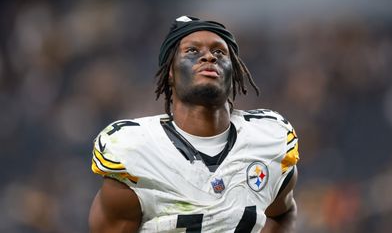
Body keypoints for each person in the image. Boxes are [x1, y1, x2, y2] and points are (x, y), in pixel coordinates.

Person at [89, 15, 300, 232]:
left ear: (234, 70)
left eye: (219, 52)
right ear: (170, 71)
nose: (209, 56)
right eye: (192, 51)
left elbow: (282, 213)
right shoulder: (135, 151)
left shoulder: (269, 140)